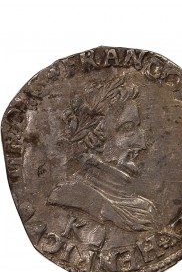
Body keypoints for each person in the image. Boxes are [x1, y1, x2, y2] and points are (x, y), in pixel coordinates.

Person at [48, 76, 158, 237]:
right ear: (95, 140)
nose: (142, 143)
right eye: (128, 128)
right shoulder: (68, 197)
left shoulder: (142, 209)